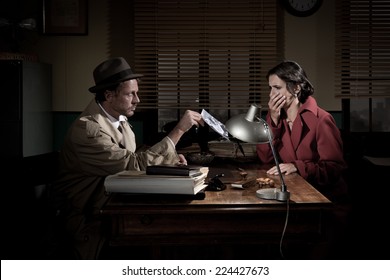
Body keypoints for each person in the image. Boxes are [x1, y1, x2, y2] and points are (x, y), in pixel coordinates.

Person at [49, 57, 204, 259]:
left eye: (136, 93)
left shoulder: (119, 121)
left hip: (112, 208)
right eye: (130, 94)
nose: (137, 100)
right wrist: (179, 130)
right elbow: (132, 164)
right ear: (109, 95)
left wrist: (170, 158)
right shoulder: (88, 131)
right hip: (89, 222)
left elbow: (134, 155)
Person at [256, 60, 350, 258]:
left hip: (326, 206)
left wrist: (296, 166)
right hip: (295, 202)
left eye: (277, 88)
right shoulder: (277, 118)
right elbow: (264, 157)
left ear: (296, 88)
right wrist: (272, 121)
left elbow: (334, 167)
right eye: (270, 88)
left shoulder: (322, 119)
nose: (272, 94)